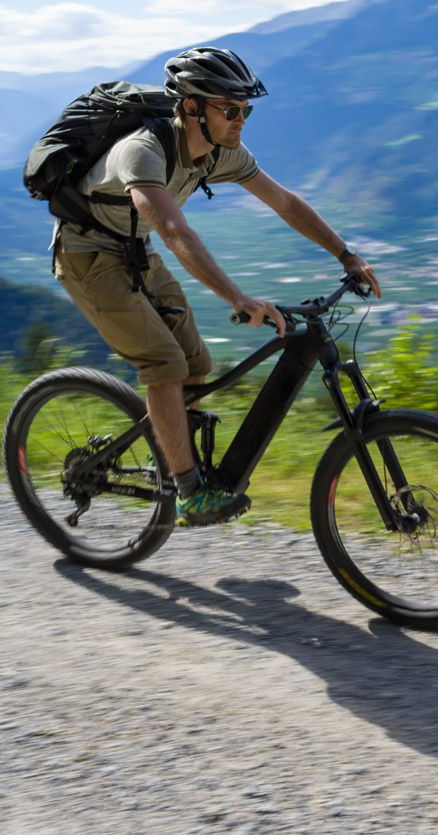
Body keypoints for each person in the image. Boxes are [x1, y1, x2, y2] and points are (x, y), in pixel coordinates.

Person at [52, 45, 381, 526]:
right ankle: (187, 491)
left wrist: (344, 253)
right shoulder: (140, 152)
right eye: (230, 108)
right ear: (190, 107)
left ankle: (172, 458)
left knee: (196, 365)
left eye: (245, 109)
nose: (241, 118)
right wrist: (238, 299)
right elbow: (173, 230)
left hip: (133, 250)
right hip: (87, 258)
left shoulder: (220, 153)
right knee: (164, 363)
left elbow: (284, 203)